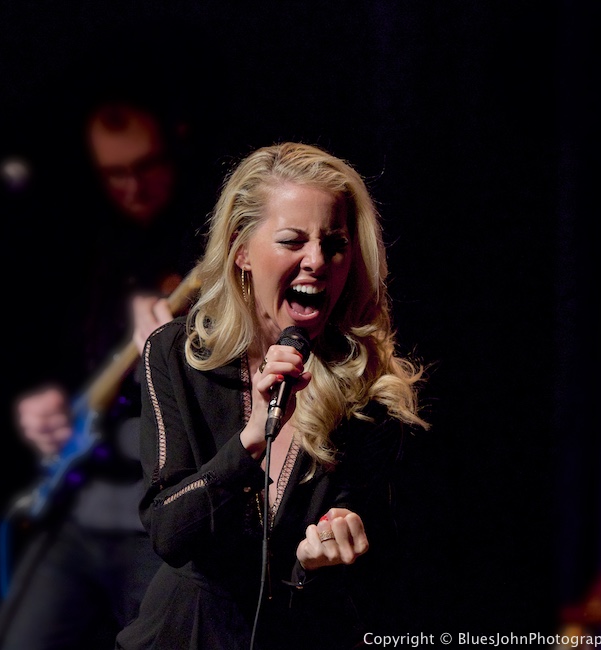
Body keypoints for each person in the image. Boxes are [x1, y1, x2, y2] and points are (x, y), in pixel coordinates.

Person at [115, 141, 429, 650]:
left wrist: (322, 555)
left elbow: (390, 576)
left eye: (335, 243)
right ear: (241, 250)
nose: (317, 261)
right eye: (292, 241)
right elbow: (169, 532)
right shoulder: (177, 354)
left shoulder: (370, 394)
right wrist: (251, 441)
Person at [0, 98, 204, 650]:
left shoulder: (204, 244)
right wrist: (46, 407)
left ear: (177, 144)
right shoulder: (97, 246)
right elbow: (70, 363)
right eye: (114, 174)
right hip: (77, 511)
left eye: (146, 166)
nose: (133, 187)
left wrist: (166, 354)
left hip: (153, 527)